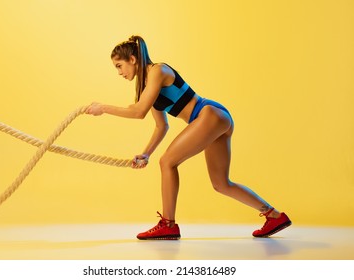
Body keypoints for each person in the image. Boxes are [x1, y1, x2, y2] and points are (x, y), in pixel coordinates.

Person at [86, 35, 291, 240]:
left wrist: (103, 108)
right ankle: (274, 216)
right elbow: (161, 126)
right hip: (213, 120)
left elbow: (138, 112)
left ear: (132, 59)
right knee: (221, 184)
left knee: (167, 162)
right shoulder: (145, 89)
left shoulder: (158, 70)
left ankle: (168, 224)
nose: (119, 73)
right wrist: (146, 154)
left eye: (119, 66)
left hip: (207, 113)